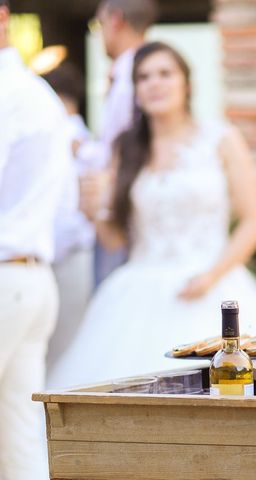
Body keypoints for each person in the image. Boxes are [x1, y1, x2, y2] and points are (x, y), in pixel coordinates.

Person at [48, 42, 256, 388]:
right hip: (138, 289)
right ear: (135, 91)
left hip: (213, 284)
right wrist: (93, 210)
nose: (154, 83)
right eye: (143, 77)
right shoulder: (125, 148)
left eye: (164, 74)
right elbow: (116, 240)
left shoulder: (221, 139)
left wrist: (212, 275)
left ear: (186, 83)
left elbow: (254, 221)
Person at [0, 1, 72, 478]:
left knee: (21, 439)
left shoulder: (8, 92)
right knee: (21, 444)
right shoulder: (36, 92)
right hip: (33, 278)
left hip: (7, 278)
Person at [79, 0, 157, 287]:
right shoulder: (130, 71)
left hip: (120, 205)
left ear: (116, 20)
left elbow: (120, 145)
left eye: (97, 25)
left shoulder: (132, 74)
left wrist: (79, 149)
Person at [43, 64, 95, 368]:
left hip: (66, 253)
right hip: (75, 254)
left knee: (61, 347)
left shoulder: (71, 140)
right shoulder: (84, 138)